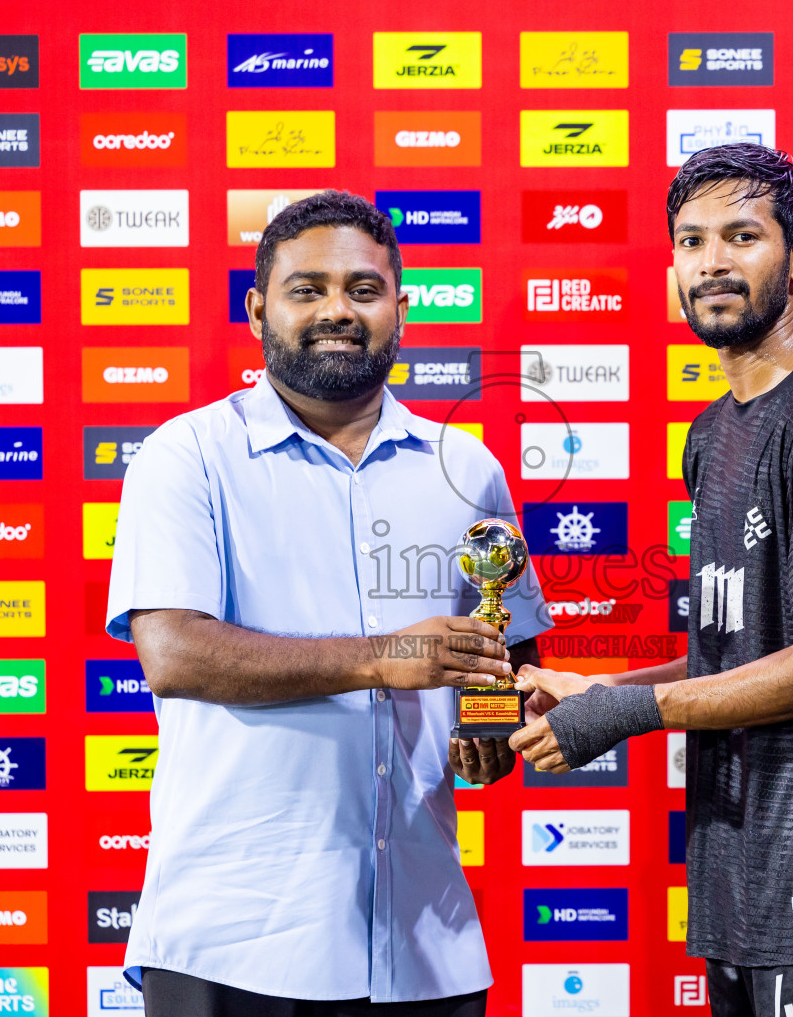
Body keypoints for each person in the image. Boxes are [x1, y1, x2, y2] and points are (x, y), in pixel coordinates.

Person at [511, 143, 793, 1017]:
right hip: (738, 875)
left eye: (742, 236)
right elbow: (731, 654)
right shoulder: (712, 433)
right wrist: (601, 691)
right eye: (692, 241)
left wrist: (626, 714)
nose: (712, 262)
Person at [106, 190, 551, 1016]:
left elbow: (507, 650)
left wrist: (489, 732)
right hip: (235, 939)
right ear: (257, 311)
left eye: (363, 289)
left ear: (401, 311)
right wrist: (385, 656)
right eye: (306, 289)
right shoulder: (188, 456)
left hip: (425, 942)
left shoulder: (468, 467)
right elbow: (174, 654)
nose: (336, 311)